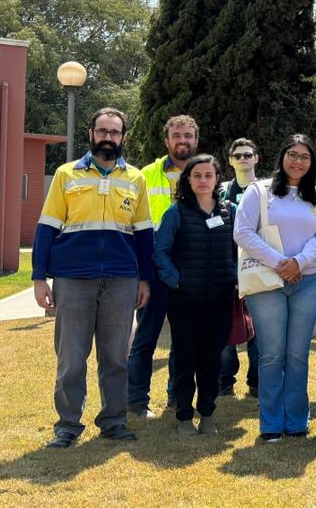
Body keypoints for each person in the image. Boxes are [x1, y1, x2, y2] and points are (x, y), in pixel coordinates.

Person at [32, 107, 153, 448]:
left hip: (121, 279)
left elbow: (144, 234)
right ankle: (68, 425)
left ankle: (114, 421)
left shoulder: (136, 179)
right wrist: (39, 277)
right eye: (103, 131)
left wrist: (145, 279)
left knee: (115, 357)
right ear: (91, 134)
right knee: (71, 356)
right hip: (73, 279)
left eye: (115, 133)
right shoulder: (65, 175)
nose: (108, 138)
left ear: (123, 137)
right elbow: (46, 228)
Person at [234, 134, 316, 442]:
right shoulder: (259, 191)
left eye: (305, 157)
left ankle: (297, 421)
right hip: (268, 281)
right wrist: (282, 263)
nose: (298, 161)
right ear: (282, 156)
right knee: (272, 354)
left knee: (298, 354)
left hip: (308, 281)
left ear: (312, 163)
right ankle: (271, 423)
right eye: (293, 154)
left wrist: (299, 263)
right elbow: (243, 232)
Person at [155, 154, 237, 437]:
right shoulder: (176, 213)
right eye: (197, 175)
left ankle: (208, 413)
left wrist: (237, 279)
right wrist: (176, 280)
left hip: (221, 299)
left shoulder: (231, 211)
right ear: (187, 180)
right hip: (185, 301)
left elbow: (242, 249)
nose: (203, 181)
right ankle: (183, 417)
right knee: (185, 359)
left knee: (211, 360)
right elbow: (160, 252)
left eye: (208, 175)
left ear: (217, 179)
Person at [128, 115, 199, 418]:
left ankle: (176, 397)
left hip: (190, 272)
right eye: (176, 135)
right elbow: (132, 227)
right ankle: (136, 401)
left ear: (196, 140)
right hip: (154, 270)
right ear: (166, 140)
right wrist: (139, 274)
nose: (182, 140)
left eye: (188, 135)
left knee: (184, 340)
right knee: (146, 337)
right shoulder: (144, 175)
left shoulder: (204, 174)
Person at [218, 138, 260, 399]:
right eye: (238, 156)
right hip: (226, 268)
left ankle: (256, 383)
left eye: (248, 155)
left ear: (256, 158)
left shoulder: (268, 190)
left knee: (259, 327)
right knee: (225, 328)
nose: (243, 159)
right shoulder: (221, 191)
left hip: (258, 266)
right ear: (230, 161)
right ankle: (225, 381)